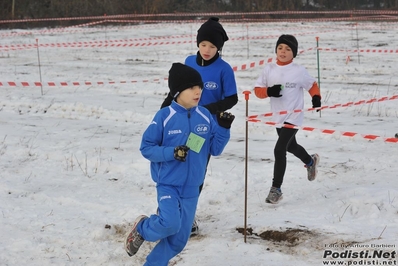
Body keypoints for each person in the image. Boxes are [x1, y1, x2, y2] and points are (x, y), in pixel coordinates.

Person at [124, 62, 235, 265]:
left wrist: (223, 128)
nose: (198, 91)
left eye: (200, 87)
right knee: (169, 224)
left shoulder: (204, 116)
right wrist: (171, 153)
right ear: (177, 91)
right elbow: (146, 148)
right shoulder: (164, 116)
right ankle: (142, 228)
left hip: (192, 187)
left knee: (178, 240)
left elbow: (215, 149)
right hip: (168, 183)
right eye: (192, 87)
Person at [160, 17, 238, 235]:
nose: (207, 49)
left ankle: (188, 215)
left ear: (219, 48)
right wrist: (164, 109)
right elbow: (176, 89)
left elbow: (232, 98)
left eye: (212, 46)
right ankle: (168, 208)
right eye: (203, 44)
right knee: (174, 165)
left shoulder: (224, 69)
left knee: (195, 172)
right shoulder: (189, 62)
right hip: (180, 125)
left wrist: (208, 110)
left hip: (203, 131)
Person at [253, 34, 322, 204]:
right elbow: (257, 90)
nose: (283, 51)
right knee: (291, 146)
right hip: (278, 117)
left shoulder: (299, 71)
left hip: (294, 116)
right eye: (280, 48)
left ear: (294, 53)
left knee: (279, 149)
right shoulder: (269, 69)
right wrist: (269, 92)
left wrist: (316, 97)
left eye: (288, 49)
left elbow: (312, 85)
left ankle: (276, 189)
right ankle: (310, 161)